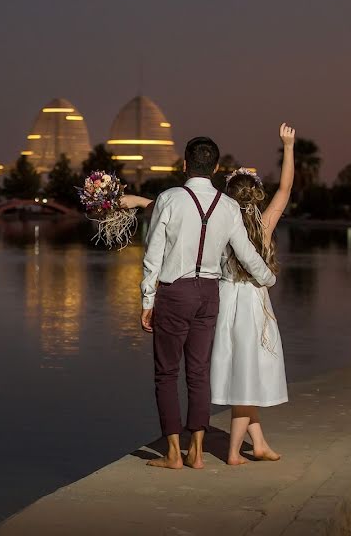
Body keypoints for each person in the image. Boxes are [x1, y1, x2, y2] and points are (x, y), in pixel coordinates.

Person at [123, 123, 295, 467]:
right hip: (210, 296)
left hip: (177, 293)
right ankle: (198, 452)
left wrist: (147, 300)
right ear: (215, 168)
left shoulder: (171, 200)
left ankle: (174, 452)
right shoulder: (227, 208)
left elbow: (153, 254)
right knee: (198, 373)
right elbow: (247, 253)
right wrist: (267, 277)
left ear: (185, 164)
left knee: (167, 374)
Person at [211, 123, 294, 465]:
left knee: (244, 372)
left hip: (226, 302)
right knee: (248, 375)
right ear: (256, 195)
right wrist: (288, 146)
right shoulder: (264, 225)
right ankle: (234, 452)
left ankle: (257, 444)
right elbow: (286, 188)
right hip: (253, 304)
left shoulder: (218, 222)